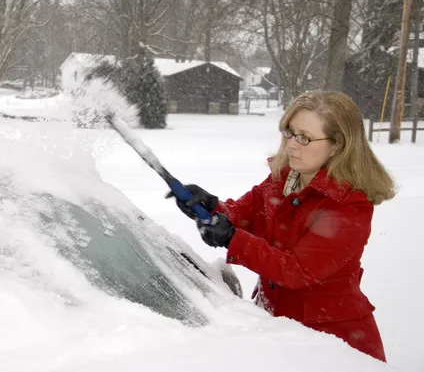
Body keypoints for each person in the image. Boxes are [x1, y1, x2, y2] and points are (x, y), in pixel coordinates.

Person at [168, 90, 395, 362]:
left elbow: (297, 271)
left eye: (304, 138)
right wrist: (210, 207)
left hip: (332, 343)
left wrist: (231, 238)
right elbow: (243, 214)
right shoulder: (283, 179)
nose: (291, 145)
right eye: (290, 132)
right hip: (277, 331)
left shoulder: (348, 205)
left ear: (337, 145)